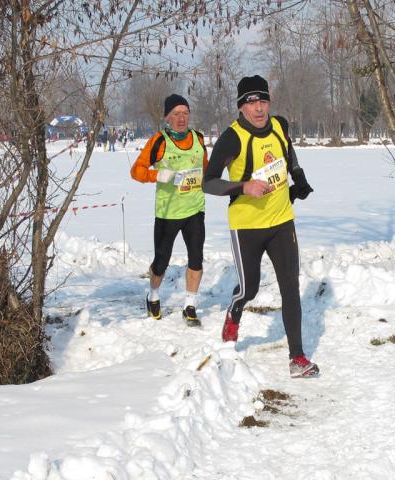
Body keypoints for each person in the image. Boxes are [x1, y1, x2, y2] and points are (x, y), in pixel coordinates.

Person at [202, 75, 319, 378]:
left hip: (281, 220)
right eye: (251, 102)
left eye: (262, 100)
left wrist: (299, 177)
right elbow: (209, 182)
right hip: (247, 226)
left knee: (290, 287)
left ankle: (297, 358)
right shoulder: (232, 138)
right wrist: (243, 187)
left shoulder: (279, 125)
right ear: (241, 106)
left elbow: (287, 151)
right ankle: (234, 311)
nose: (258, 108)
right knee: (249, 288)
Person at [130, 94, 208, 327]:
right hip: (167, 212)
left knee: (196, 259)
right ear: (167, 117)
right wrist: (158, 175)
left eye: (185, 113)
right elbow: (136, 171)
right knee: (161, 261)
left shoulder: (198, 138)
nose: (181, 118)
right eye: (176, 114)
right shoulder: (159, 141)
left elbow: (205, 168)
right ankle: (153, 296)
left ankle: (190, 305)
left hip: (195, 208)